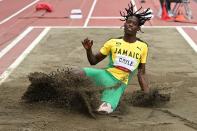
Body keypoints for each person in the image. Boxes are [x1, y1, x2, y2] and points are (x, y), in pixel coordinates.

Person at [79, 3, 151, 114]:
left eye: (134, 24)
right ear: (125, 24)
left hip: (118, 85)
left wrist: (147, 96)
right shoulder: (113, 42)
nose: (130, 25)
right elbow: (93, 61)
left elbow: (141, 73)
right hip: (104, 75)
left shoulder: (143, 47)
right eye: (128, 22)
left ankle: (100, 96)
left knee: (104, 110)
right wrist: (88, 50)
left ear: (138, 28)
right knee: (76, 73)